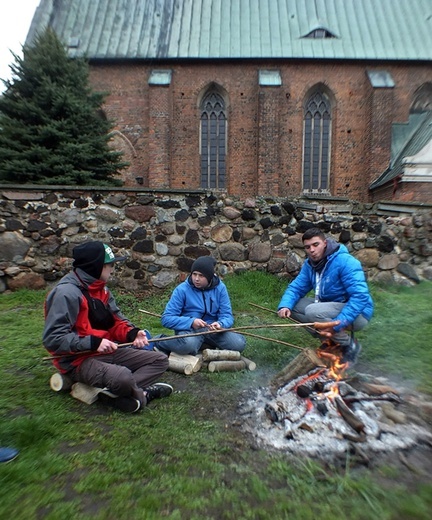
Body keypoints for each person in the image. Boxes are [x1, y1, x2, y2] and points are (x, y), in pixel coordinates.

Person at [43, 241, 173, 413]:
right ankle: (144, 394)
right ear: (96, 267)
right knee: (123, 376)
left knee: (160, 360)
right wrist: (94, 343)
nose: (113, 269)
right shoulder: (66, 294)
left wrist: (133, 334)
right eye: (109, 265)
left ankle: (118, 392)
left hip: (108, 351)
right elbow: (53, 339)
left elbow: (116, 321)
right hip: (79, 360)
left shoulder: (102, 290)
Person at [277, 228, 374, 365]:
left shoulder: (345, 261)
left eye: (315, 245)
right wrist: (285, 305)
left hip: (359, 314)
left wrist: (336, 324)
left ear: (325, 243)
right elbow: (296, 287)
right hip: (331, 307)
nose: (311, 250)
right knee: (294, 307)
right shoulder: (310, 264)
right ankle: (330, 343)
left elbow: (360, 297)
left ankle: (349, 345)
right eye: (307, 247)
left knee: (312, 311)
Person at [157, 256, 246, 356]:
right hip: (189, 331)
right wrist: (191, 322)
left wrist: (221, 324)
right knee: (188, 345)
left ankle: (203, 345)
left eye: (201, 276)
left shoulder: (220, 288)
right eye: (194, 274)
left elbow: (227, 316)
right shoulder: (181, 290)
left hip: (212, 331)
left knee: (238, 343)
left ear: (209, 277)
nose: (196, 279)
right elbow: (166, 319)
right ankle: (159, 341)